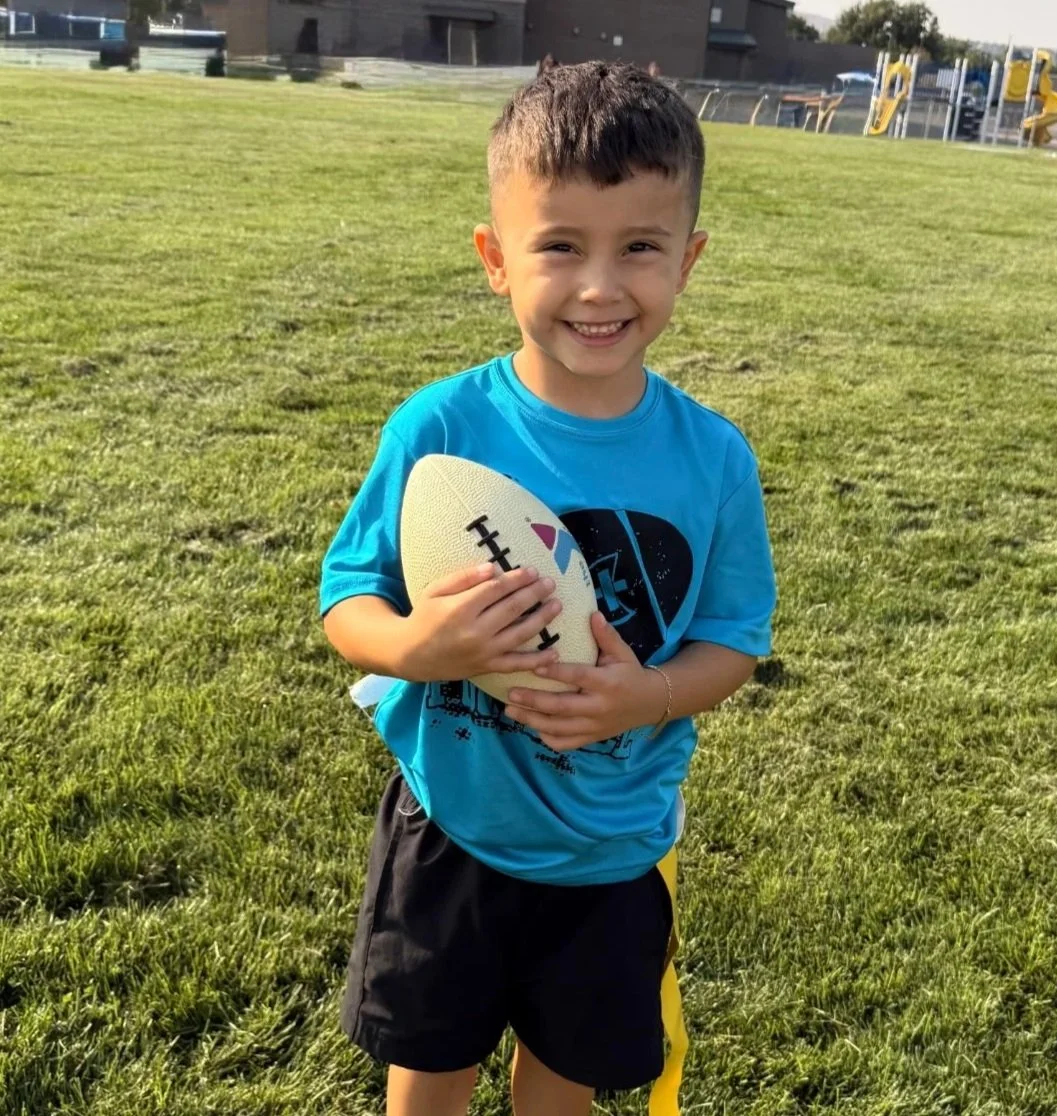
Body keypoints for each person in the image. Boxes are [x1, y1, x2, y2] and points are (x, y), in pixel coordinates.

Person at [320, 60, 777, 1116]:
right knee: (428, 1060)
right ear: (494, 258)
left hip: (613, 844)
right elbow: (348, 600)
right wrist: (418, 651)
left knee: (564, 1075)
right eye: (560, 245)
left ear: (690, 260)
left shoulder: (713, 460)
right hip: (455, 820)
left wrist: (648, 696)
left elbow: (732, 640)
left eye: (640, 249)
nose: (601, 286)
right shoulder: (439, 430)